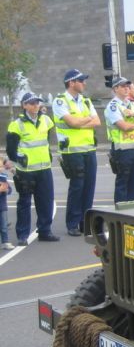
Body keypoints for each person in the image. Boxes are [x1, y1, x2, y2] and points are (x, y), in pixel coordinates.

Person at [52, 69, 100, 237]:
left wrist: (81, 122)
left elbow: (98, 121)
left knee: (89, 187)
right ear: (71, 83)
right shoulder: (60, 101)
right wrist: (87, 119)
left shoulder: (85, 101)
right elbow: (72, 122)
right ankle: (72, 223)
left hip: (88, 149)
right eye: (81, 80)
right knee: (77, 187)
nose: (84, 83)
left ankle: (85, 223)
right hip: (72, 151)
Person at [6, 93, 59, 245]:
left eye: (37, 102)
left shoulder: (46, 120)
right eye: (32, 103)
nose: (36, 105)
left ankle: (45, 231)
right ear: (24, 105)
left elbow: (46, 141)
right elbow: (11, 150)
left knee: (46, 201)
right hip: (26, 170)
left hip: (44, 168)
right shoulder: (16, 125)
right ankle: (22, 235)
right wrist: (18, 160)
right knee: (24, 202)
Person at [105, 76, 134, 203]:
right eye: (123, 86)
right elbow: (124, 126)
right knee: (123, 183)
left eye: (127, 86)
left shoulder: (133, 105)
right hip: (123, 150)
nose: (127, 88)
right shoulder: (113, 106)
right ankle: (120, 212)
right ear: (115, 89)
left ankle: (133, 212)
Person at [0, 160, 14, 249]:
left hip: (2, 205)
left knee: (4, 225)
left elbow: (9, 190)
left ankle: (5, 242)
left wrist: (7, 189)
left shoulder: (3, 177)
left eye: (1, 166)